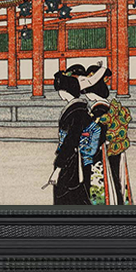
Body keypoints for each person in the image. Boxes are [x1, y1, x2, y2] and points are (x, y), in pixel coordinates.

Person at [80, 62, 133, 205]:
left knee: (104, 183)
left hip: (103, 151)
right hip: (114, 149)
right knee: (116, 180)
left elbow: (97, 135)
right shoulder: (109, 106)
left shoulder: (99, 109)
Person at [48, 67, 91, 205]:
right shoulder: (80, 108)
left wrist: (58, 169)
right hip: (74, 159)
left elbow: (70, 141)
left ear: (64, 91)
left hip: (71, 161)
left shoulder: (75, 111)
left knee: (67, 195)